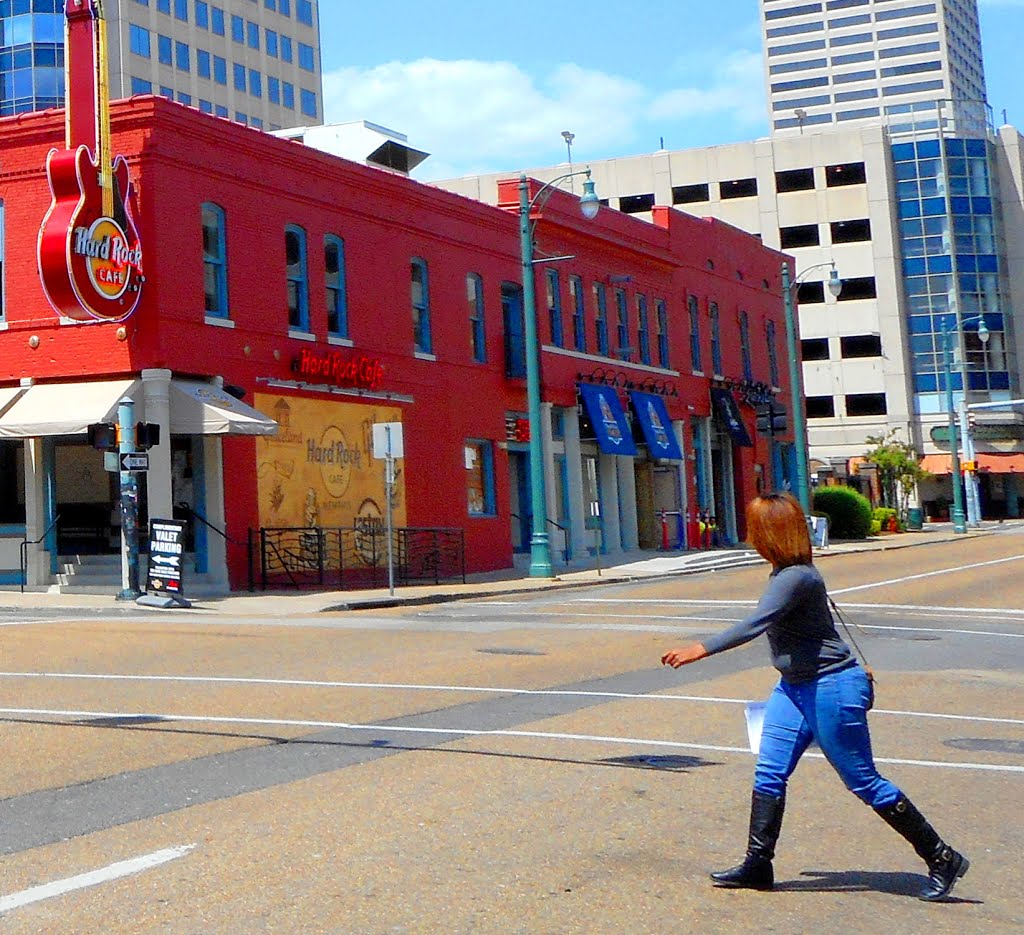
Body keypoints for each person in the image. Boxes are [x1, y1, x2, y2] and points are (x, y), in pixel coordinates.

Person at [661, 492, 968, 901]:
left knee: (863, 781)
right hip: (794, 686)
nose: (750, 535)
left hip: (831, 685)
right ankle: (758, 864)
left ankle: (941, 856)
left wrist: (702, 647)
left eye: (755, 527)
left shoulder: (796, 578)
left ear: (771, 532)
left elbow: (756, 623)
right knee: (769, 771)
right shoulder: (787, 573)